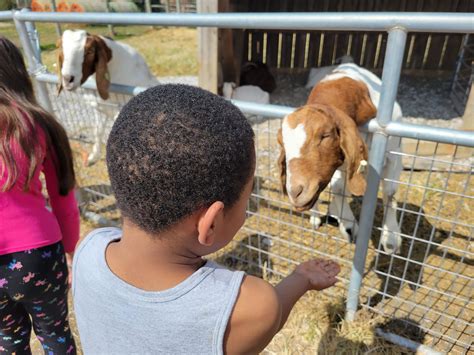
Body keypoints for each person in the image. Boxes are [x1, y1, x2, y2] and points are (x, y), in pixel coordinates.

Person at [73, 84, 341, 354]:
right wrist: (301, 279)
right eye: (248, 199)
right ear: (209, 224)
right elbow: (268, 314)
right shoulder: (247, 304)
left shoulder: (89, 248)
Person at [0, 36, 78, 354]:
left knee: (9, 341)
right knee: (56, 334)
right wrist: (71, 250)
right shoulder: (39, 123)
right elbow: (63, 199)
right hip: (41, 256)